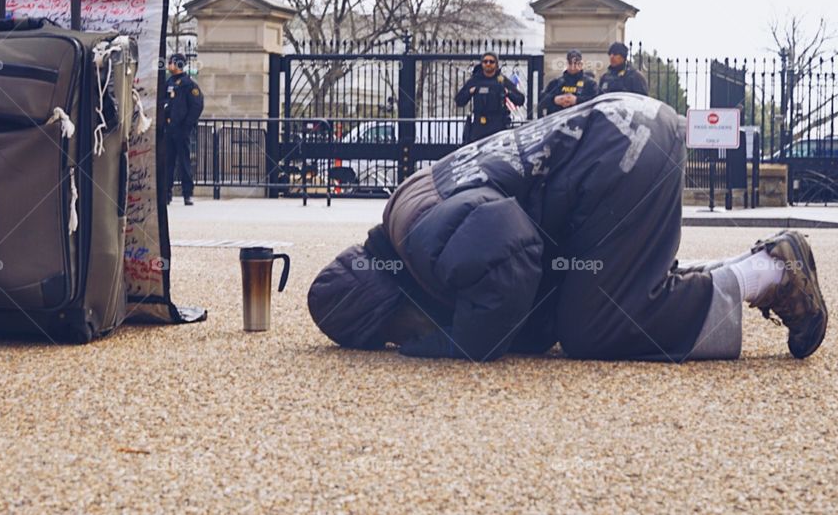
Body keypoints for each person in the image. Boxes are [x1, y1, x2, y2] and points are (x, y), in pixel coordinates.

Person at [308, 94, 827, 362]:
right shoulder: (407, 212)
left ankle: (771, 273)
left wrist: (463, 341)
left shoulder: (422, 240)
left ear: (386, 302)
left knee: (594, 327)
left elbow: (510, 247)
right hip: (623, 142)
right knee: (591, 298)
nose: (404, 340)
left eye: (392, 334)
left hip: (620, 154)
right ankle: (768, 264)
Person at [454, 52, 525, 143]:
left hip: (498, 125)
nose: (488, 64)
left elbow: (520, 99)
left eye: (491, 62)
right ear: (481, 63)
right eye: (485, 61)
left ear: (496, 64)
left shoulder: (502, 80)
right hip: (479, 126)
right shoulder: (475, 80)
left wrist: (508, 93)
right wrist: (470, 92)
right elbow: (459, 100)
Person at [164, 53, 204, 206]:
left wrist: (187, 124)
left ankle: (187, 193)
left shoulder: (189, 85)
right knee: (168, 162)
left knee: (184, 161)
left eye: (171, 62)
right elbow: (164, 101)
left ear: (178, 64)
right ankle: (167, 192)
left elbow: (197, 105)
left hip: (182, 129)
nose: (169, 65)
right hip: (169, 128)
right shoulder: (168, 82)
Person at [539, 49, 599, 116]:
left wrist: (577, 100)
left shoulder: (590, 84)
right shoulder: (556, 82)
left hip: (582, 123)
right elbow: (542, 100)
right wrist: (555, 100)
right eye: (570, 63)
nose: (573, 67)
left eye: (576, 63)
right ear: (567, 63)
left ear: (581, 64)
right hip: (558, 123)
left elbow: (597, 101)